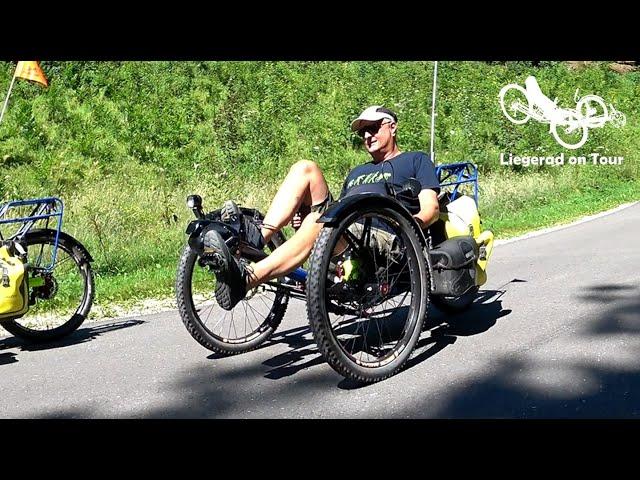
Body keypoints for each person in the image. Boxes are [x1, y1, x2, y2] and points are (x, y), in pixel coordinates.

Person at [204, 105, 441, 310]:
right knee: (305, 168)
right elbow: (338, 210)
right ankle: (253, 240)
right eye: (363, 132)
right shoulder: (358, 172)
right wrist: (308, 217)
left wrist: (409, 229)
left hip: (385, 232)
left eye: (374, 127)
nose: (367, 135)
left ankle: (247, 278)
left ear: (392, 126)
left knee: (317, 223)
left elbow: (431, 209)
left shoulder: (415, 160)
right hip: (350, 230)